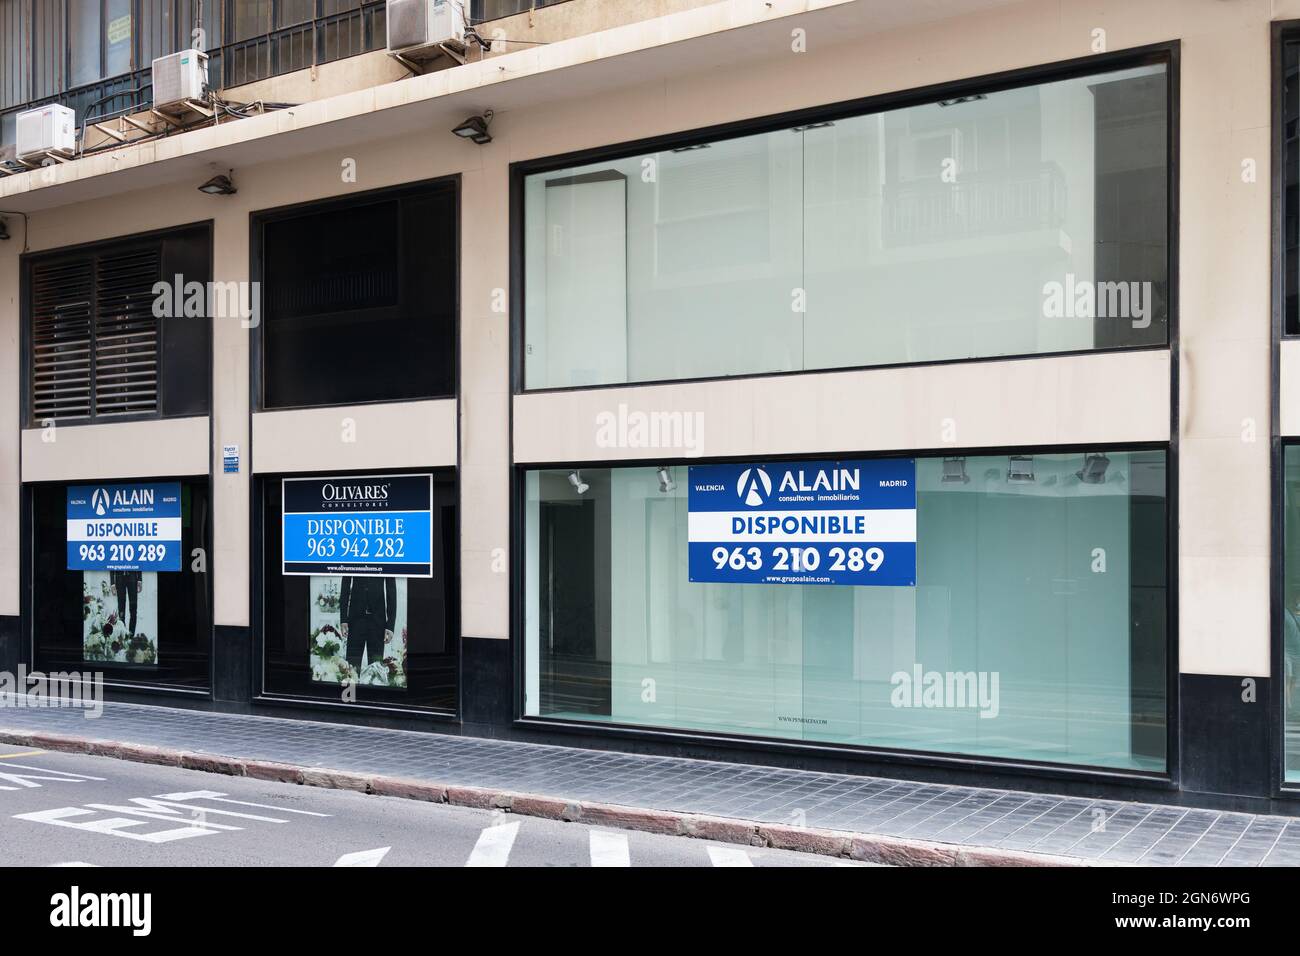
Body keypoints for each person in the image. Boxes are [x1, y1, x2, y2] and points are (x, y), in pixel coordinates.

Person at [339, 576, 397, 672]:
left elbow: (391, 588)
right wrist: (343, 618)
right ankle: (351, 688)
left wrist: (390, 624)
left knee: (376, 671)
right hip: (355, 621)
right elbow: (345, 583)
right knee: (351, 670)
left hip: (378, 622)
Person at [111, 570, 142, 638]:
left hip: (132, 577)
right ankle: (123, 635)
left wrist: (139, 579)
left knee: (133, 608)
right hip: (119, 578)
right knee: (121, 608)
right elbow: (112, 562)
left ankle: (131, 635)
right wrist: (112, 582)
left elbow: (139, 562)